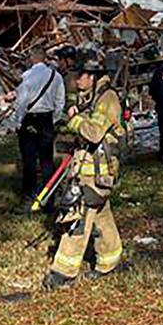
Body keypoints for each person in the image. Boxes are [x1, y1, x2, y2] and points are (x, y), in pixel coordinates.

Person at [44, 62, 126, 289]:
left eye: (79, 77)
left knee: (77, 217)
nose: (76, 82)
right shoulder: (92, 96)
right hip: (91, 169)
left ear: (91, 76)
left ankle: (63, 273)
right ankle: (111, 260)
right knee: (100, 213)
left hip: (98, 170)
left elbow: (93, 132)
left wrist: (73, 119)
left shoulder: (107, 99)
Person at [12, 45, 66, 205]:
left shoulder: (27, 76)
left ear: (33, 58)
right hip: (46, 119)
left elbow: (21, 103)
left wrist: (18, 121)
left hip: (29, 118)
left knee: (28, 158)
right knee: (46, 159)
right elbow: (60, 101)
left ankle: (29, 194)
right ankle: (48, 194)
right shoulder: (55, 76)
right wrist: (53, 119)